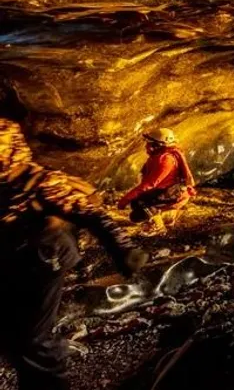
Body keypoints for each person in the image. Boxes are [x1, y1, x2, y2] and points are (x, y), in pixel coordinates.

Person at [0, 118, 146, 390]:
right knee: (12, 331)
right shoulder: (5, 184)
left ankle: (49, 383)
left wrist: (124, 250)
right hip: (14, 259)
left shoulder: (42, 181)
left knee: (33, 336)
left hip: (44, 262)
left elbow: (93, 216)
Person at [117, 128, 196, 225]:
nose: (146, 145)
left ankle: (161, 222)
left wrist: (126, 199)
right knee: (136, 203)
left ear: (157, 145)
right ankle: (160, 216)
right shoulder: (158, 156)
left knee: (137, 216)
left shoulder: (166, 160)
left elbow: (150, 184)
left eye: (149, 143)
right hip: (164, 192)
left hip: (171, 194)